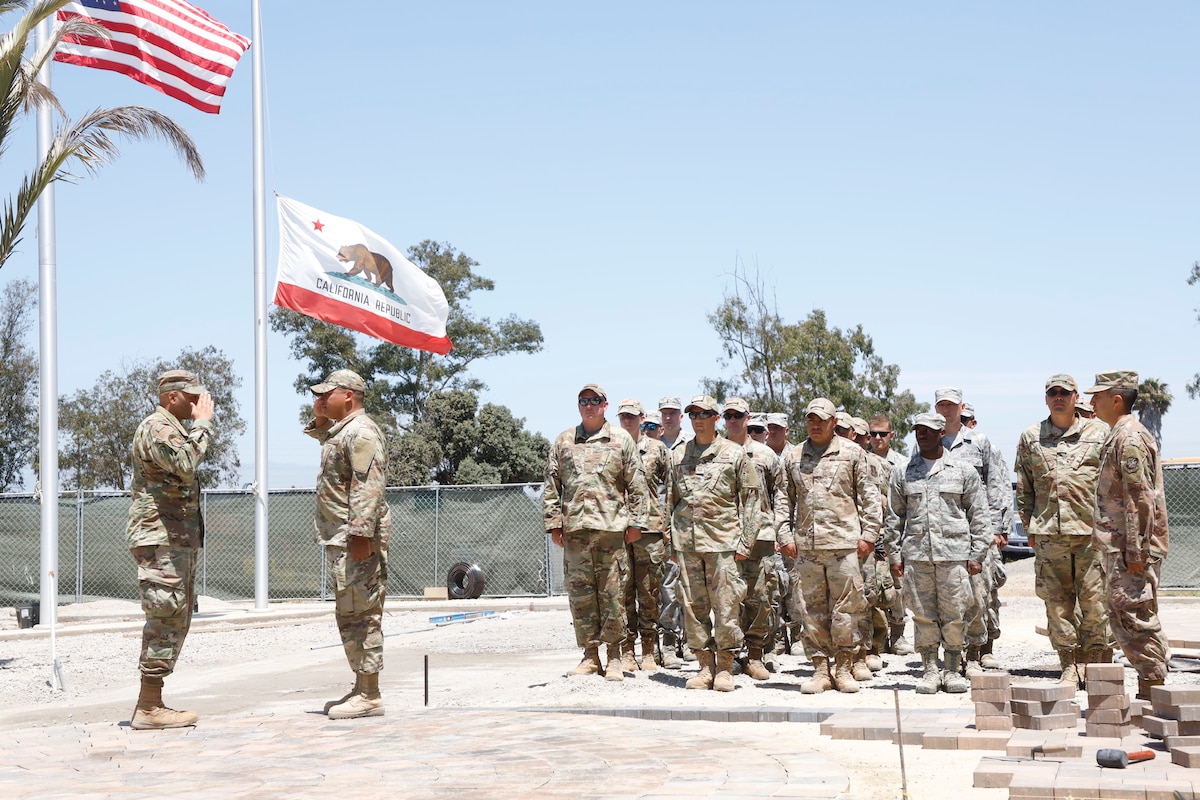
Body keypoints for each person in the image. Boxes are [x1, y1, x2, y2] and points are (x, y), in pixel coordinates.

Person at [127, 370, 215, 730]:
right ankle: (148, 707)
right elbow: (185, 462)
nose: (197, 403)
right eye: (190, 397)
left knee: (176, 617)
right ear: (170, 397)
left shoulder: (172, 427)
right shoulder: (157, 427)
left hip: (175, 537)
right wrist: (204, 425)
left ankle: (152, 702)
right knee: (165, 617)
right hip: (160, 536)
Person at [545, 384, 649, 681]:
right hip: (576, 532)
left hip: (611, 531)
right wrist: (554, 523)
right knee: (581, 597)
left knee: (613, 595)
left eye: (595, 401)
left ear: (605, 405)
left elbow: (636, 485)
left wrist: (635, 523)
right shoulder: (564, 441)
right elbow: (552, 485)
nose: (589, 405)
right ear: (578, 406)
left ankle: (615, 656)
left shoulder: (621, 440)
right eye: (583, 401)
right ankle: (590, 656)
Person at [778, 397, 881, 694]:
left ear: (834, 423)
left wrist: (868, 536)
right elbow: (783, 499)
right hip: (807, 547)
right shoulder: (794, 456)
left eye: (821, 420)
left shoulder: (852, 453)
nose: (815, 424)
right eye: (811, 419)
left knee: (847, 609)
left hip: (844, 545)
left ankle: (845, 667)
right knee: (810, 610)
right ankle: (821, 670)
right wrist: (784, 536)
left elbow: (870, 497)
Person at [305, 369, 392, 719]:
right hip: (341, 537)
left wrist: (359, 534)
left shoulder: (362, 432)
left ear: (350, 396)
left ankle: (370, 693)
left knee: (364, 613)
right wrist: (320, 413)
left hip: (355, 538)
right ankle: (361, 686)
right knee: (349, 613)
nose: (322, 399)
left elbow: (367, 486)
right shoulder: (343, 431)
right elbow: (323, 435)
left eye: (329, 394)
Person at [883, 412, 991, 694]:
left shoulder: (963, 470)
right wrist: (894, 555)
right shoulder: (903, 471)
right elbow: (894, 517)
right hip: (917, 557)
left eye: (928, 431)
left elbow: (978, 514)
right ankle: (930, 669)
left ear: (942, 433)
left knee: (955, 613)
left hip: (954, 556)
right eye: (918, 430)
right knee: (922, 615)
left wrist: (977, 554)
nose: (922, 435)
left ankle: (953, 668)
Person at [1014, 374, 1109, 686]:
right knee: (1057, 605)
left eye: (1064, 392)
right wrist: (1029, 526)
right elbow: (1024, 488)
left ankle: (1094, 666)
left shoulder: (1099, 434)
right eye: (1053, 393)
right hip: (1049, 535)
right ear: (1046, 398)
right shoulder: (1031, 437)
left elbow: (1112, 483)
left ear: (1075, 396)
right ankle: (1069, 665)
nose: (1058, 397)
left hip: (1091, 534)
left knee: (1095, 603)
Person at [1086, 370, 1171, 699]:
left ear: (1116, 399)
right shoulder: (1119, 434)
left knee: (1134, 619)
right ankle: (1153, 690)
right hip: (1122, 547)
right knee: (1130, 617)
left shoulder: (1129, 437)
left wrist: (1136, 552)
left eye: (1098, 395)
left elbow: (1140, 499)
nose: (1092, 401)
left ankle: (1154, 693)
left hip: (1129, 550)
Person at [669, 395, 760, 691]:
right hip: (687, 545)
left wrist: (746, 542)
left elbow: (751, 500)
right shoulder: (678, 456)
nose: (697, 418)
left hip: (723, 545)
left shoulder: (733, 454)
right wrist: (670, 542)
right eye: (692, 413)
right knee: (693, 608)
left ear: (715, 418)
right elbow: (669, 501)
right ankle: (704, 666)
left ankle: (725, 667)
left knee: (726, 606)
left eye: (704, 413)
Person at [935, 387, 1011, 673]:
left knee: (980, 595)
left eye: (950, 406)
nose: (945, 411)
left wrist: (997, 528)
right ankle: (953, 656)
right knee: (948, 597)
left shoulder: (979, 443)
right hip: (943, 534)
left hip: (976, 533)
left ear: (961, 407)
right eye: (941, 405)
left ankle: (977, 652)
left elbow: (997, 486)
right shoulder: (929, 442)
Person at [722, 397, 782, 681]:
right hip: (725, 535)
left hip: (761, 536)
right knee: (727, 599)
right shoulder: (715, 452)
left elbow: (779, 494)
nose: (732, 420)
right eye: (728, 416)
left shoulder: (765, 454)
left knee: (760, 597)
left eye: (737, 415)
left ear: (748, 418)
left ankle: (756, 654)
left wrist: (781, 529)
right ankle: (730, 655)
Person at [616, 399, 672, 672]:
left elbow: (671, 491)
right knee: (623, 593)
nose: (627, 421)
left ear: (641, 417)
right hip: (618, 529)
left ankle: (649, 650)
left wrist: (669, 530)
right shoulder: (612, 447)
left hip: (650, 531)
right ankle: (627, 651)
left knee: (649, 594)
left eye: (631, 416)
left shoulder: (657, 449)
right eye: (622, 417)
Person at [867, 413, 913, 655]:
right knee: (874, 587)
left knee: (897, 587)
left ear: (891, 435)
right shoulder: (861, 461)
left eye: (882, 433)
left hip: (895, 532)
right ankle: (877, 638)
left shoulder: (903, 464)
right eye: (872, 433)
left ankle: (898, 635)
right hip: (870, 534)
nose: (877, 438)